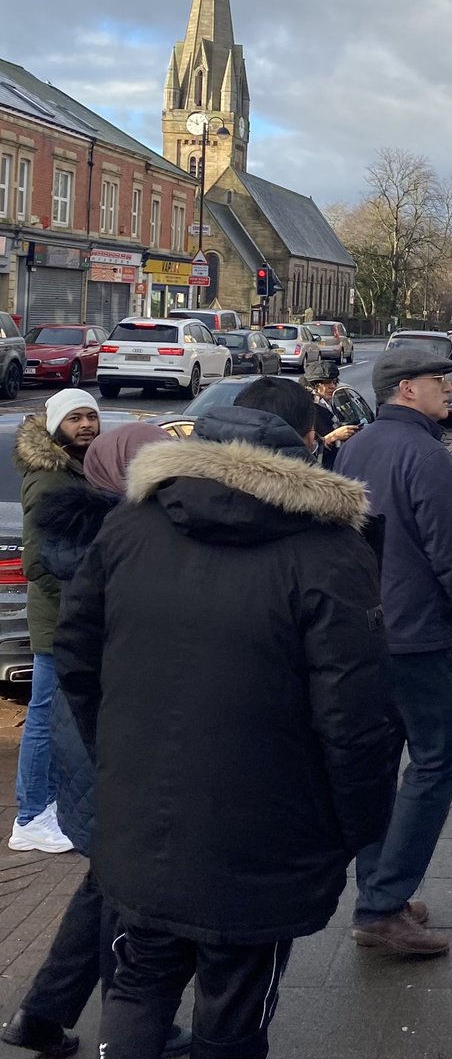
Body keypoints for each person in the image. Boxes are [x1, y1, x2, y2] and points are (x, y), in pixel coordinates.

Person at [54, 377, 397, 1059]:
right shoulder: (330, 554)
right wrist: (357, 826)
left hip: (143, 811)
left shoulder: (130, 525)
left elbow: (76, 655)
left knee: (138, 980)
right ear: (305, 450)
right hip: (265, 828)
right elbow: (356, 715)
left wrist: (115, 754)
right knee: (236, 1004)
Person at [3, 424, 190, 1059]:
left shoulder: (93, 540)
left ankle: (40, 1016)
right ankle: (137, 1030)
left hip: (92, 738)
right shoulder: (125, 549)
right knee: (128, 897)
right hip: (117, 742)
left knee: (105, 886)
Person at [335, 348, 452, 956]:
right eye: (439, 381)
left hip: (367, 634)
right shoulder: (428, 453)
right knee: (435, 762)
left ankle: (380, 895)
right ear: (408, 389)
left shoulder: (356, 447)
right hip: (417, 639)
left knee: (382, 769)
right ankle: (382, 905)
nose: (449, 388)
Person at [9, 389, 101, 855]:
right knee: (44, 715)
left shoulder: (75, 469)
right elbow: (36, 562)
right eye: (75, 418)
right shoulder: (49, 478)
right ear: (55, 426)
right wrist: (79, 604)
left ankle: (44, 807)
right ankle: (29, 815)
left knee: (53, 713)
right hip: (57, 620)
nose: (86, 425)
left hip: (66, 617)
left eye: (91, 416)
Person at [300, 358, 360, 468]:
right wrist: (334, 436)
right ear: (314, 385)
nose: (332, 386)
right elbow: (305, 447)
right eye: (327, 382)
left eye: (334, 381)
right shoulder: (306, 409)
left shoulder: (337, 401)